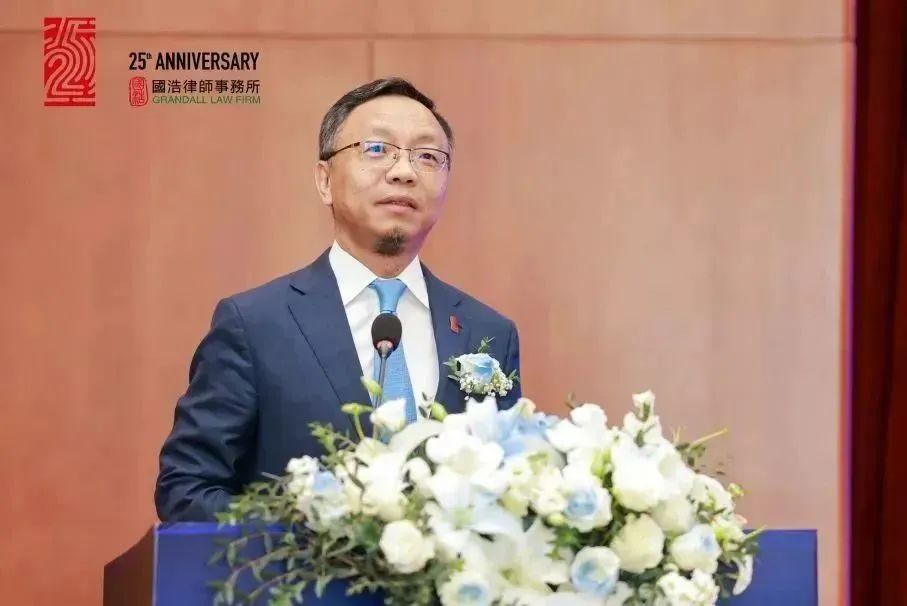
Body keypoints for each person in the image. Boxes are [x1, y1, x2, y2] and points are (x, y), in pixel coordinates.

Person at [155, 77, 522, 522]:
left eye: (427, 156)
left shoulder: (488, 333)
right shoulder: (254, 325)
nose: (404, 171)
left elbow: (509, 493)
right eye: (377, 149)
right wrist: (317, 537)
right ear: (325, 180)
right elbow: (187, 491)